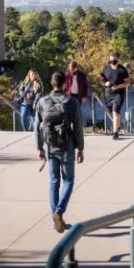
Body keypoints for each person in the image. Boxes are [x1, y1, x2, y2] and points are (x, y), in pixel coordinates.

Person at [35, 71, 84, 233]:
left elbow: (37, 127)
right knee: (68, 180)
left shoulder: (42, 102)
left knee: (54, 182)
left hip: (50, 147)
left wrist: (39, 148)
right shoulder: (72, 102)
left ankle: (55, 220)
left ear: (51, 83)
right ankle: (59, 212)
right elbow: (77, 127)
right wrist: (81, 148)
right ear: (65, 84)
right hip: (67, 147)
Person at [100, 52, 131, 140]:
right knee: (112, 111)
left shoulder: (122, 70)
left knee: (115, 111)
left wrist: (118, 87)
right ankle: (117, 126)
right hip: (108, 94)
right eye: (111, 58)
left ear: (117, 59)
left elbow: (128, 83)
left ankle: (115, 133)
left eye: (114, 58)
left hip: (119, 94)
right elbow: (100, 79)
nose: (112, 60)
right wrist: (105, 83)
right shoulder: (106, 68)